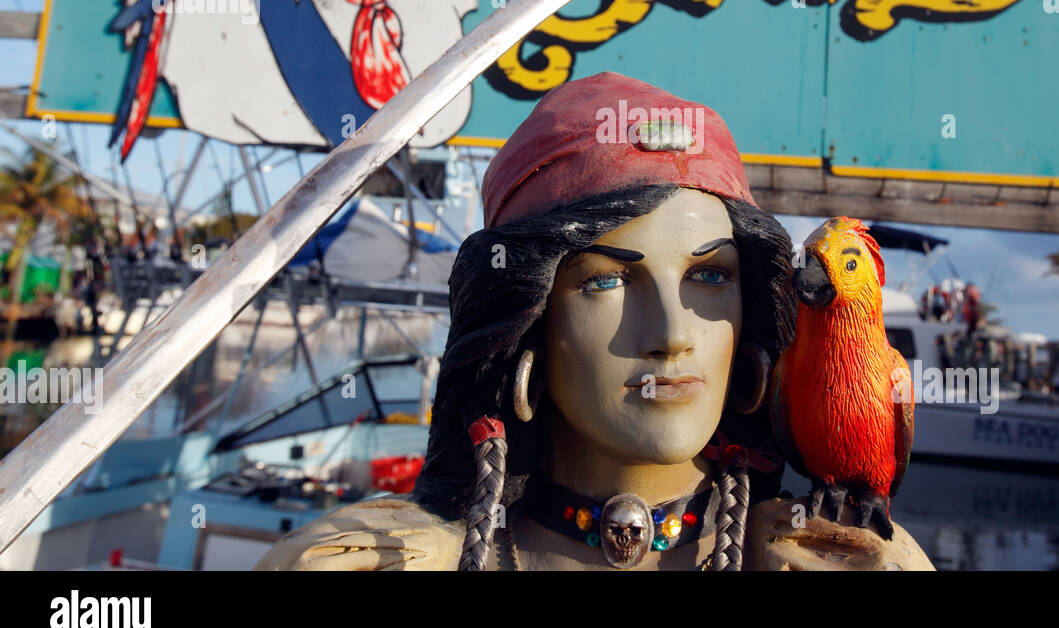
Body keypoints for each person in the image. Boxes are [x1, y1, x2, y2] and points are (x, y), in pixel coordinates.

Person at [255, 72, 932, 571]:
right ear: (529, 323)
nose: (671, 333)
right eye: (606, 280)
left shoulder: (856, 562)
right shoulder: (378, 561)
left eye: (709, 276)